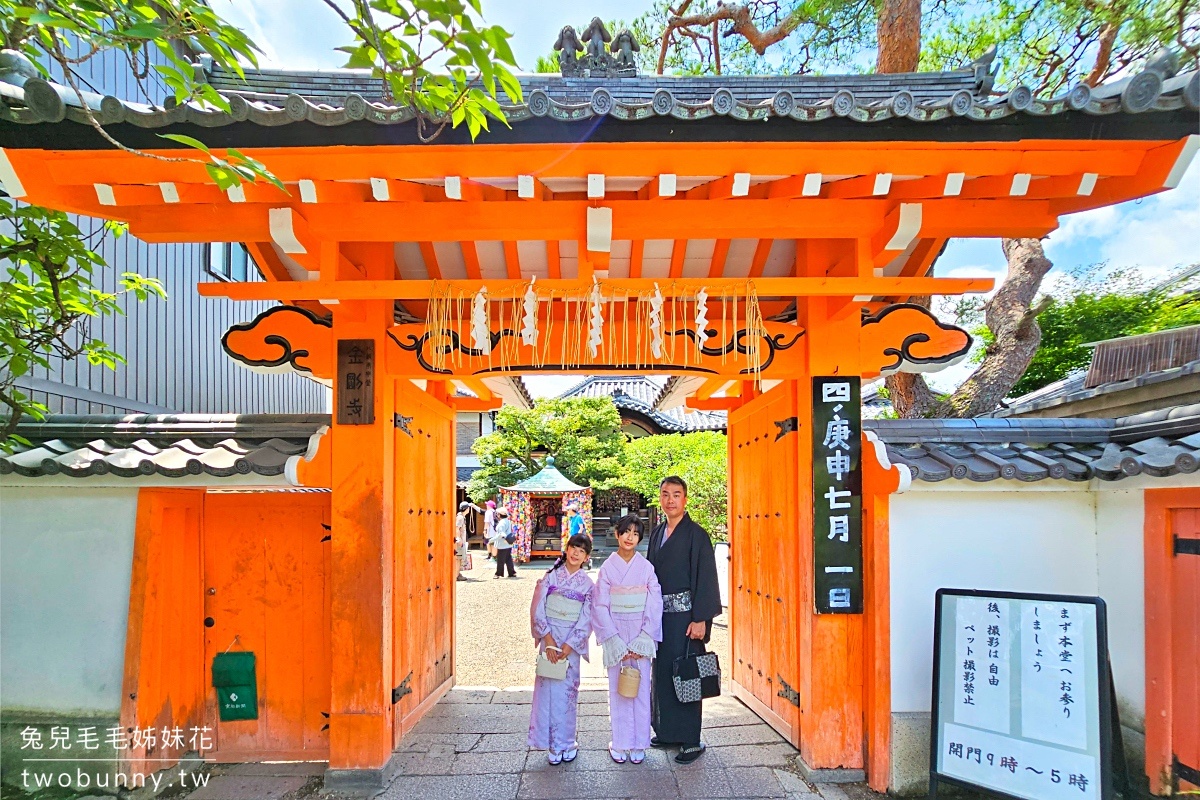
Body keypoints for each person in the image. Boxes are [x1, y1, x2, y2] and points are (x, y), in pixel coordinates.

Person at [646, 475, 721, 764]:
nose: (670, 500)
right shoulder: (657, 532)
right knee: (663, 673)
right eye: (665, 494)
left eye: (676, 494)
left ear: (685, 499)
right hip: (660, 617)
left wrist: (701, 618)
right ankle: (667, 731)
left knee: (687, 673)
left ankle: (690, 739)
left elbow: (706, 578)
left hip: (687, 619)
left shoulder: (697, 535)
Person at [592, 514, 662, 764]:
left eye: (635, 533)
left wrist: (644, 638)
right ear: (617, 534)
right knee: (618, 689)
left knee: (641, 688)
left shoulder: (646, 568)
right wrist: (616, 642)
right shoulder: (607, 568)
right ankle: (621, 742)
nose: (630, 537)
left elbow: (654, 603)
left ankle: (639, 743)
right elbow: (600, 604)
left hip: (640, 631)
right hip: (617, 631)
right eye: (626, 532)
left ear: (639, 538)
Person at [528, 534, 595, 765]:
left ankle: (566, 742)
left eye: (582, 551)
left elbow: (587, 617)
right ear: (566, 549)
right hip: (550, 639)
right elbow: (538, 608)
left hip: (570, 644)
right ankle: (551, 746)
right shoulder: (550, 577)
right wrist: (547, 639)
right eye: (573, 548)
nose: (576, 553)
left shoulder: (588, 585)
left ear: (587, 558)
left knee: (567, 694)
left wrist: (569, 645)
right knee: (547, 693)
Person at [491, 507, 518, 579]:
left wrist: (492, 540)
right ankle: (512, 572)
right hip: (508, 543)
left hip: (502, 544)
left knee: (500, 559)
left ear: (499, 515)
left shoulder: (501, 523)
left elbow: (501, 534)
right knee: (508, 558)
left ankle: (498, 573)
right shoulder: (507, 521)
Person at [455, 501, 479, 581]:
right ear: (466, 509)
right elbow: (457, 528)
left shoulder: (461, 517)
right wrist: (458, 539)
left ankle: (458, 573)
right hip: (459, 541)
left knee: (460, 558)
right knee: (458, 558)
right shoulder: (460, 518)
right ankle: (456, 575)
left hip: (461, 540)